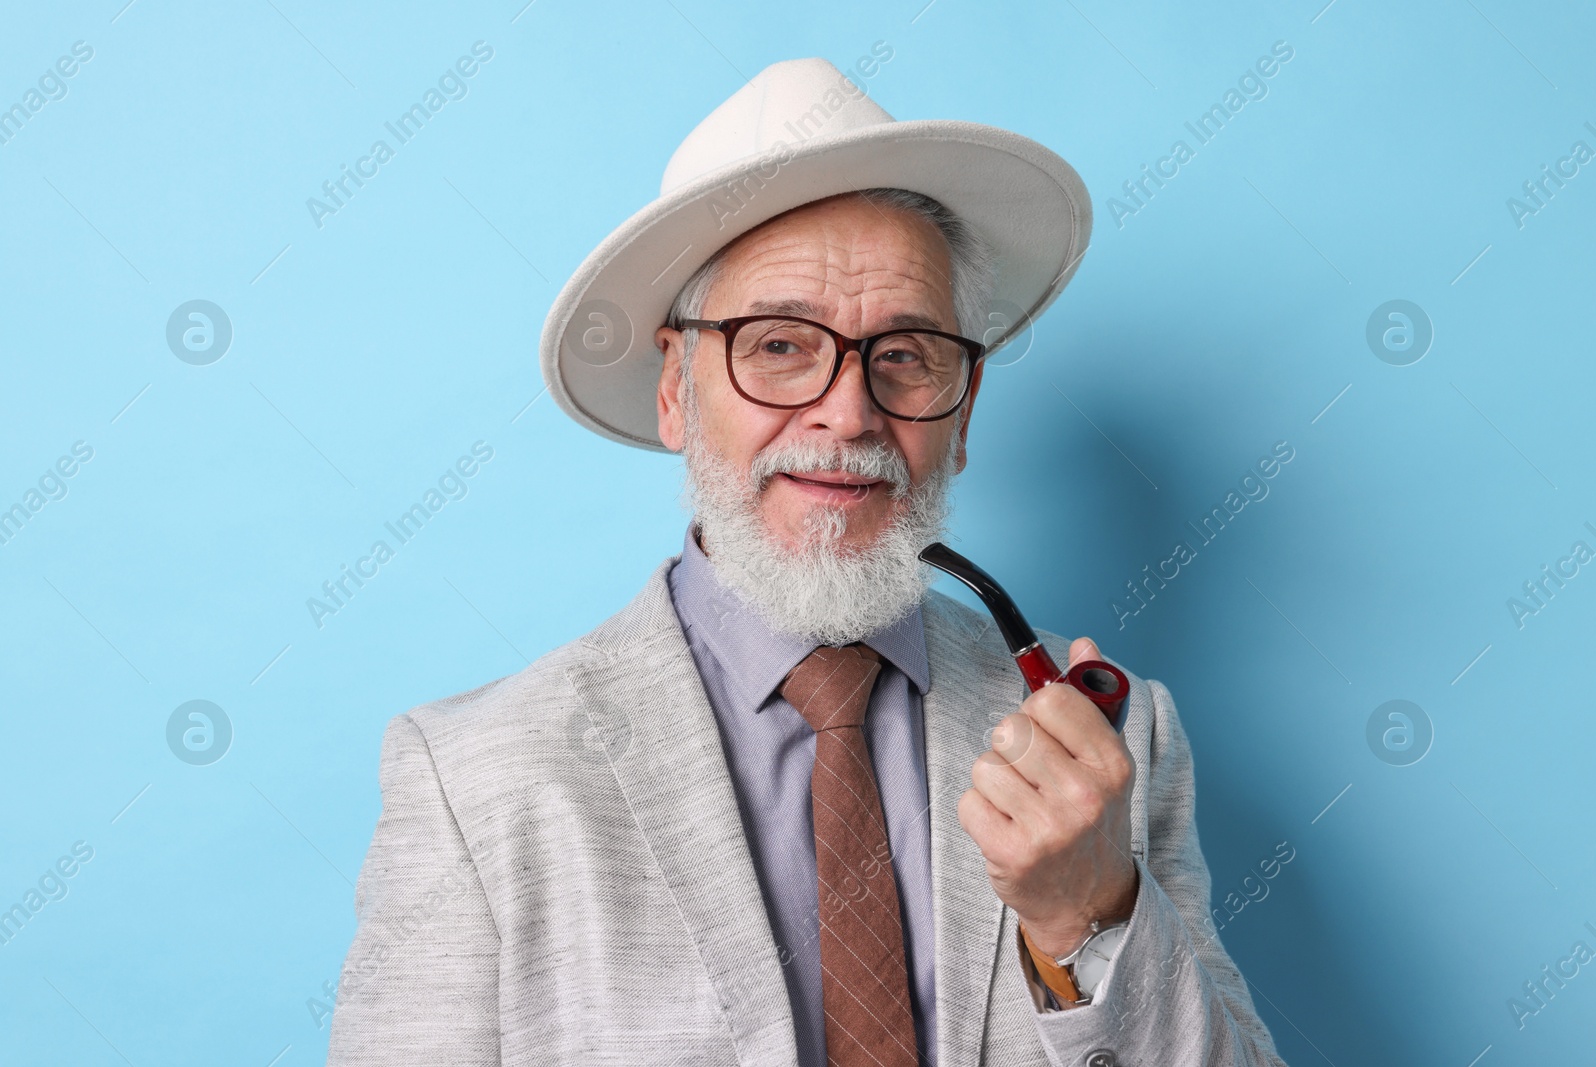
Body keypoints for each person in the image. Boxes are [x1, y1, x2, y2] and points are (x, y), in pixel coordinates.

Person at [327, 57, 1288, 1067]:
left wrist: (1089, 914)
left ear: (962, 415)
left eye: (907, 353)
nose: (848, 412)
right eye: (780, 344)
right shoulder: (472, 777)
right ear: (674, 389)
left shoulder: (1109, 733)